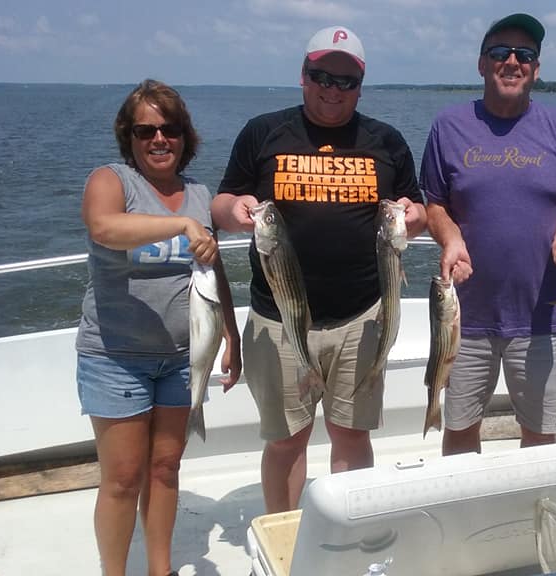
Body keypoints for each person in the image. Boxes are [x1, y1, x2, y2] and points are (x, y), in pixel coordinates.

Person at [211, 26, 427, 514]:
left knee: (351, 436)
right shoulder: (263, 132)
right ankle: (287, 539)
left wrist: (413, 218)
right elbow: (221, 203)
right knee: (288, 440)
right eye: (321, 75)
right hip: (279, 316)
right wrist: (236, 208)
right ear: (303, 76)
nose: (332, 88)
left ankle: (349, 539)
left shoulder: (386, 141)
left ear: (361, 85)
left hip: (363, 315)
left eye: (345, 80)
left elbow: (416, 210)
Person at [75, 79, 242, 576]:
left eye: (169, 129)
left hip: (183, 359)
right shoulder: (112, 181)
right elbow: (104, 226)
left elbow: (213, 273)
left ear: (185, 136)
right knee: (123, 479)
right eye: (145, 130)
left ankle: (161, 569)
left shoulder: (198, 193)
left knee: (165, 469)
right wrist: (181, 227)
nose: (158, 139)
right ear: (129, 137)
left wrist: (231, 334)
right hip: (115, 357)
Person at [420, 13, 556, 456]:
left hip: (543, 318)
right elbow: (434, 204)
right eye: (500, 53)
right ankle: (465, 521)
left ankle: (536, 520)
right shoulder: (448, 126)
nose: (512, 61)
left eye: (525, 54)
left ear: (536, 69)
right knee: (459, 432)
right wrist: (450, 239)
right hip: (464, 316)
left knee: (539, 436)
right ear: (482, 64)